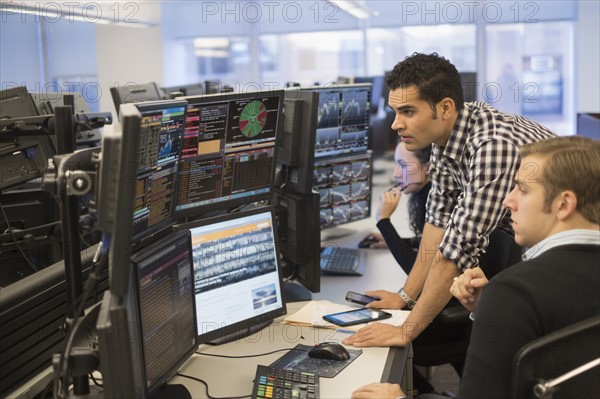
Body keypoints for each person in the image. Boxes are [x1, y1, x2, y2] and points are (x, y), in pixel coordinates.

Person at [343, 52, 556, 368]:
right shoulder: (449, 136)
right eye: (394, 111)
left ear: (444, 108)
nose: (395, 123)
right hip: (530, 255)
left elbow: (455, 251)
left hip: (572, 266)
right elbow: (437, 224)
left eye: (407, 111)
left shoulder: (491, 145)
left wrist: (406, 330)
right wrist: (405, 297)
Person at [350, 136, 600, 399]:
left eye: (522, 190)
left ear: (563, 204)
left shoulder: (515, 292)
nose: (508, 201)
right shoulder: (516, 296)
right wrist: (489, 310)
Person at [361, 141, 432, 274]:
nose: (396, 174)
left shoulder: (440, 205)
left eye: (403, 165)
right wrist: (397, 242)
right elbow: (430, 245)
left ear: (427, 167)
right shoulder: (426, 195)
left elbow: (416, 272)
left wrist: (383, 220)